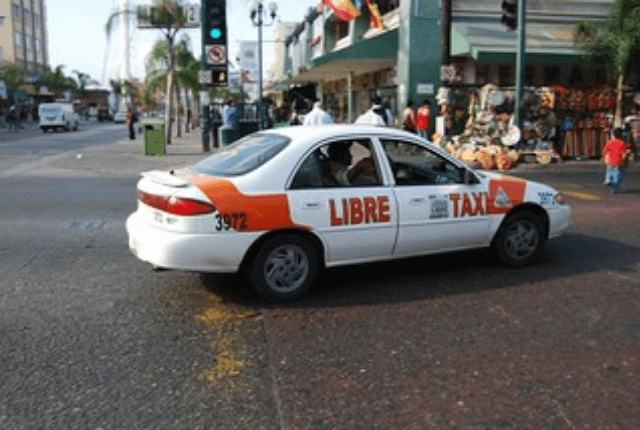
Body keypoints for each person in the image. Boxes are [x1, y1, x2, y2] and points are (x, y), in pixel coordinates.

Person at [603, 128, 630, 193]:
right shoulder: (622, 143)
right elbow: (624, 154)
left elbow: (605, 152)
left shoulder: (609, 142)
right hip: (618, 161)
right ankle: (614, 189)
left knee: (609, 171)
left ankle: (608, 179)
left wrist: (606, 159)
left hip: (610, 160)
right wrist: (624, 161)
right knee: (617, 174)